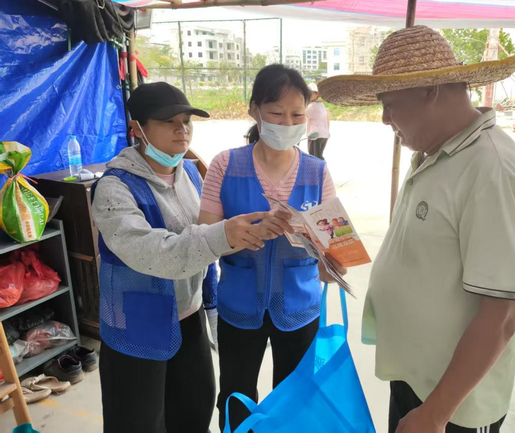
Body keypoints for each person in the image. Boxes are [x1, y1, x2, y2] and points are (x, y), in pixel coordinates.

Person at [319, 26, 515, 433]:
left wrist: (435, 414)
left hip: (455, 403)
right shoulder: (434, 151)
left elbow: (501, 316)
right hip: (417, 377)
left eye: (390, 105)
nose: (385, 119)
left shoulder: (492, 171)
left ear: (430, 91)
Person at [92, 82, 285, 433]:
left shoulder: (191, 174)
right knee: (138, 421)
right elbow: (153, 252)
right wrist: (223, 235)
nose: (182, 130)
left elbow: (206, 239)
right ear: (137, 129)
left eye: (186, 121)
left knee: (195, 409)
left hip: (188, 316)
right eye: (168, 122)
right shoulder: (113, 188)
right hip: (137, 324)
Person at [198, 64, 344, 431]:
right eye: (277, 113)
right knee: (235, 395)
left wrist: (333, 264)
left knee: (296, 399)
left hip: (299, 307)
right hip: (238, 306)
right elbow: (204, 239)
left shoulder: (317, 172)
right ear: (255, 111)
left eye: (297, 115)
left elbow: (334, 247)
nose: (287, 123)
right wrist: (239, 234)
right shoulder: (225, 164)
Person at [306, 83, 330, 160]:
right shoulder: (321, 104)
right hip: (324, 134)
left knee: (314, 157)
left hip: (315, 135)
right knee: (318, 156)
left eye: (311, 93)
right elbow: (327, 119)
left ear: (317, 94)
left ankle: (322, 168)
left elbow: (301, 115)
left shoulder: (312, 106)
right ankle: (323, 167)